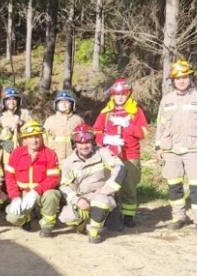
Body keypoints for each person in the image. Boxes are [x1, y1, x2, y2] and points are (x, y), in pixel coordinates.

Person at [155, 60, 197, 237]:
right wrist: (158, 146)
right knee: (174, 185)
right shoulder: (166, 100)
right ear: (172, 81)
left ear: (190, 77)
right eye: (178, 78)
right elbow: (160, 125)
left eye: (185, 77)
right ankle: (178, 217)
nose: (182, 81)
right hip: (170, 149)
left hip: (194, 147)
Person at [93, 78, 149, 227]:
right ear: (112, 95)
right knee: (108, 186)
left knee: (129, 187)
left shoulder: (136, 111)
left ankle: (128, 216)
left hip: (130, 156)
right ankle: (108, 214)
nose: (120, 97)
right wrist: (106, 139)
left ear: (128, 94)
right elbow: (96, 132)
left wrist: (128, 125)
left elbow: (143, 132)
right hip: (110, 157)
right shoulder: (106, 113)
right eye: (117, 94)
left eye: (124, 94)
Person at [59, 124, 126, 244]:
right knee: (66, 218)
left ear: (93, 142)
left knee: (101, 201)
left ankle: (94, 232)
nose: (84, 146)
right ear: (74, 144)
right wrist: (77, 200)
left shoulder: (103, 153)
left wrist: (106, 190)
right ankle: (83, 226)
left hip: (101, 195)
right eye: (80, 143)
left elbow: (120, 168)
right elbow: (64, 186)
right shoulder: (69, 162)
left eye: (87, 142)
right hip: (82, 197)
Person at [4, 120, 62, 238]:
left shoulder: (50, 154)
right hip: (24, 194)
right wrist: (15, 197)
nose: (34, 140)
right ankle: (27, 218)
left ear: (42, 137)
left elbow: (53, 178)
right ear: (24, 139)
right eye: (30, 137)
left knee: (53, 195)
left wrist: (36, 191)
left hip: (43, 194)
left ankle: (47, 225)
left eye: (37, 136)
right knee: (12, 217)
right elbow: (10, 178)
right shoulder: (16, 154)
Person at [43, 90, 85, 162]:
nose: (63, 104)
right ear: (56, 104)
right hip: (54, 160)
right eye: (61, 102)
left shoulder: (78, 120)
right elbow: (44, 141)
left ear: (72, 104)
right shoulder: (49, 121)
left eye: (67, 102)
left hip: (74, 159)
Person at [0, 86, 32, 162]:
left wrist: (22, 123)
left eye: (14, 99)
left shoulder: (25, 113)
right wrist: (10, 131)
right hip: (9, 155)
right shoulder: (1, 116)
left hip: (25, 152)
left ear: (18, 101)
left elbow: (32, 129)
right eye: (8, 99)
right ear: (4, 101)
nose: (11, 102)